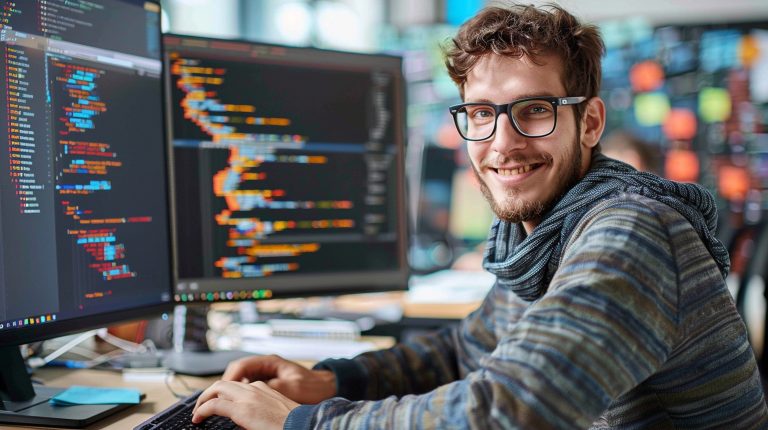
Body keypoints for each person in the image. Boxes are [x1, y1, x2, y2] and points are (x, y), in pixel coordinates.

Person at [192, 4, 768, 429]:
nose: (502, 143)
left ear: (589, 123)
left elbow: (508, 412)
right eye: (482, 114)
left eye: (534, 111)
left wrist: (301, 422)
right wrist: (331, 380)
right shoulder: (545, 238)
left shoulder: (631, 231)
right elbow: (462, 351)